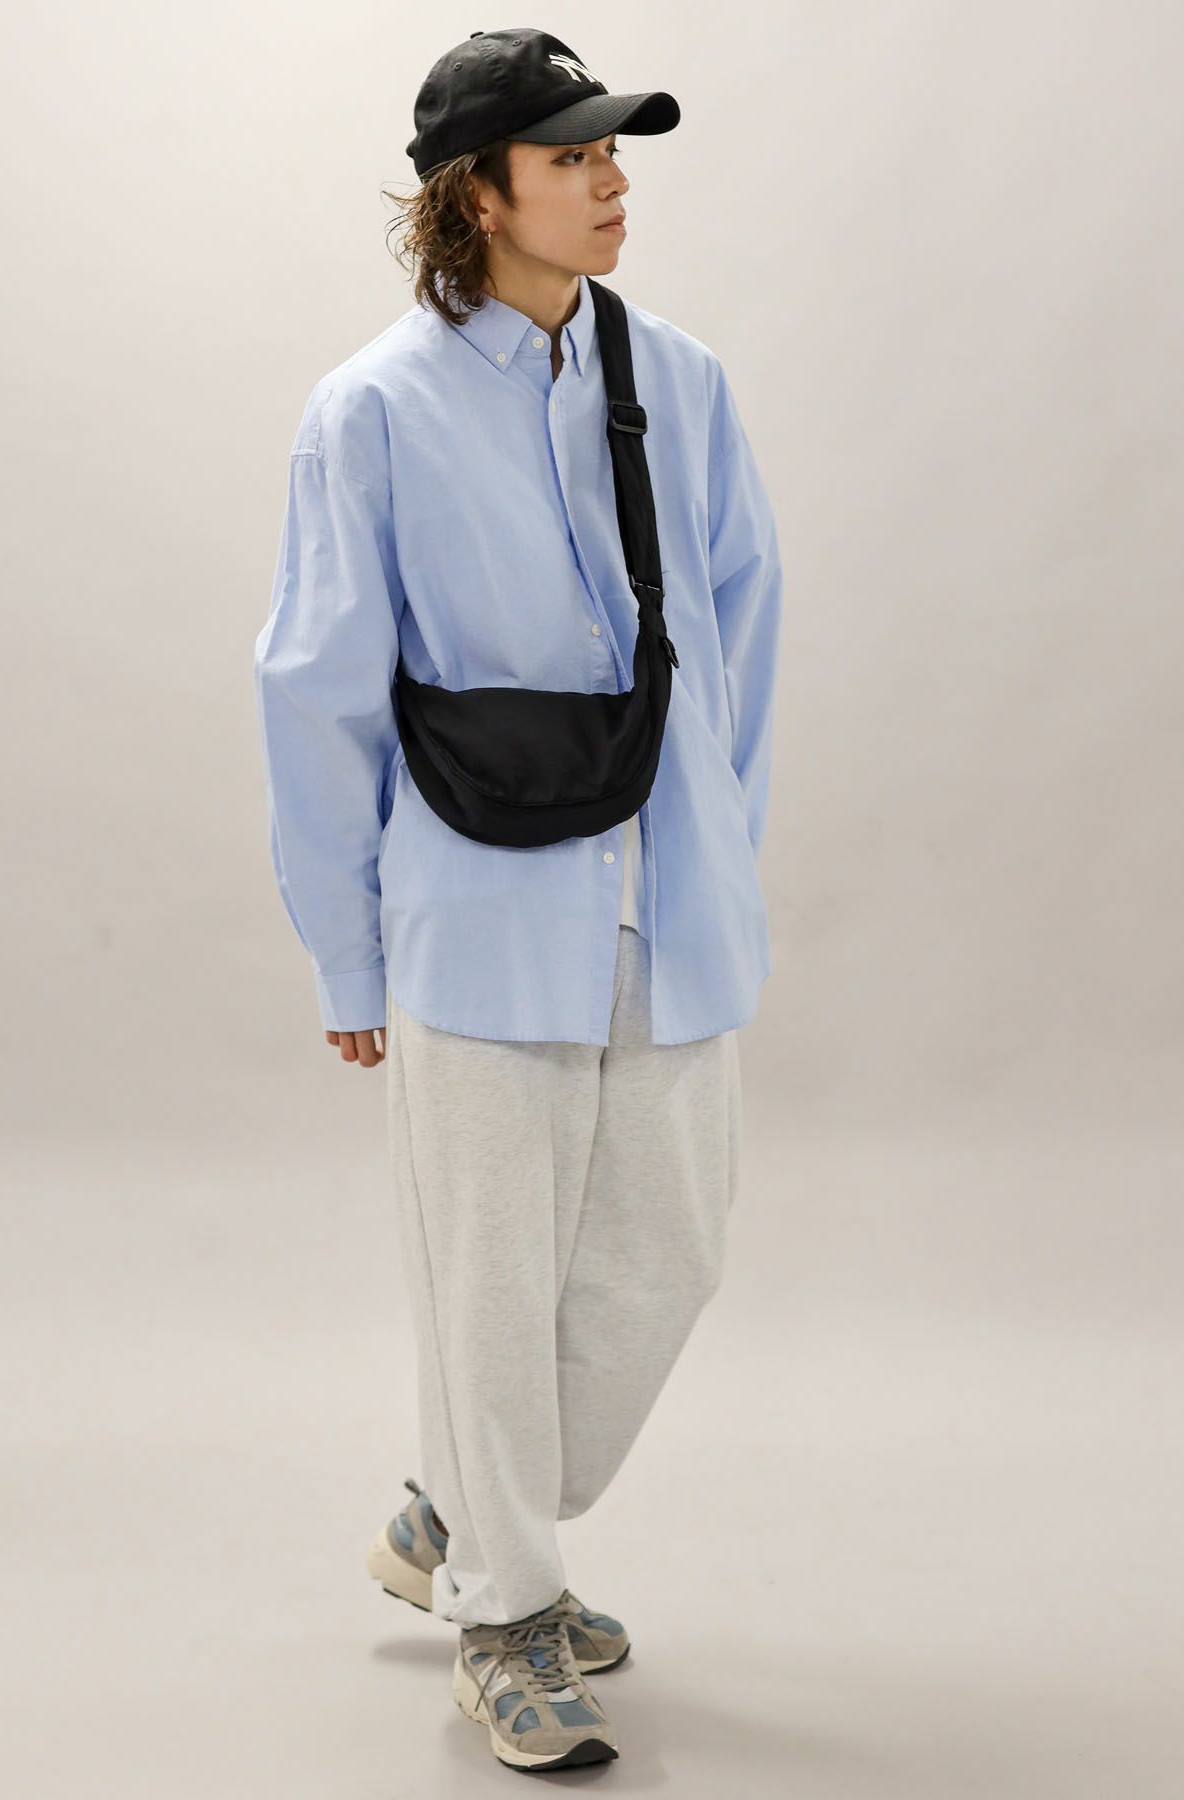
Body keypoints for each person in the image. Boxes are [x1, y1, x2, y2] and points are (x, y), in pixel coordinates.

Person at [252, 27, 783, 1773]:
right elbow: (320, 691)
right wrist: (346, 951)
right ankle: (505, 1612)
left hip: (667, 898)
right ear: (476, 195)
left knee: (670, 1252)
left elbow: (742, 619)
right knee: (488, 1285)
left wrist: (723, 842)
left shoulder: (677, 380)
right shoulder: (374, 411)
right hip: (477, 912)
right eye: (571, 156)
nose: (612, 180)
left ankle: (461, 1515)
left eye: (614, 151)